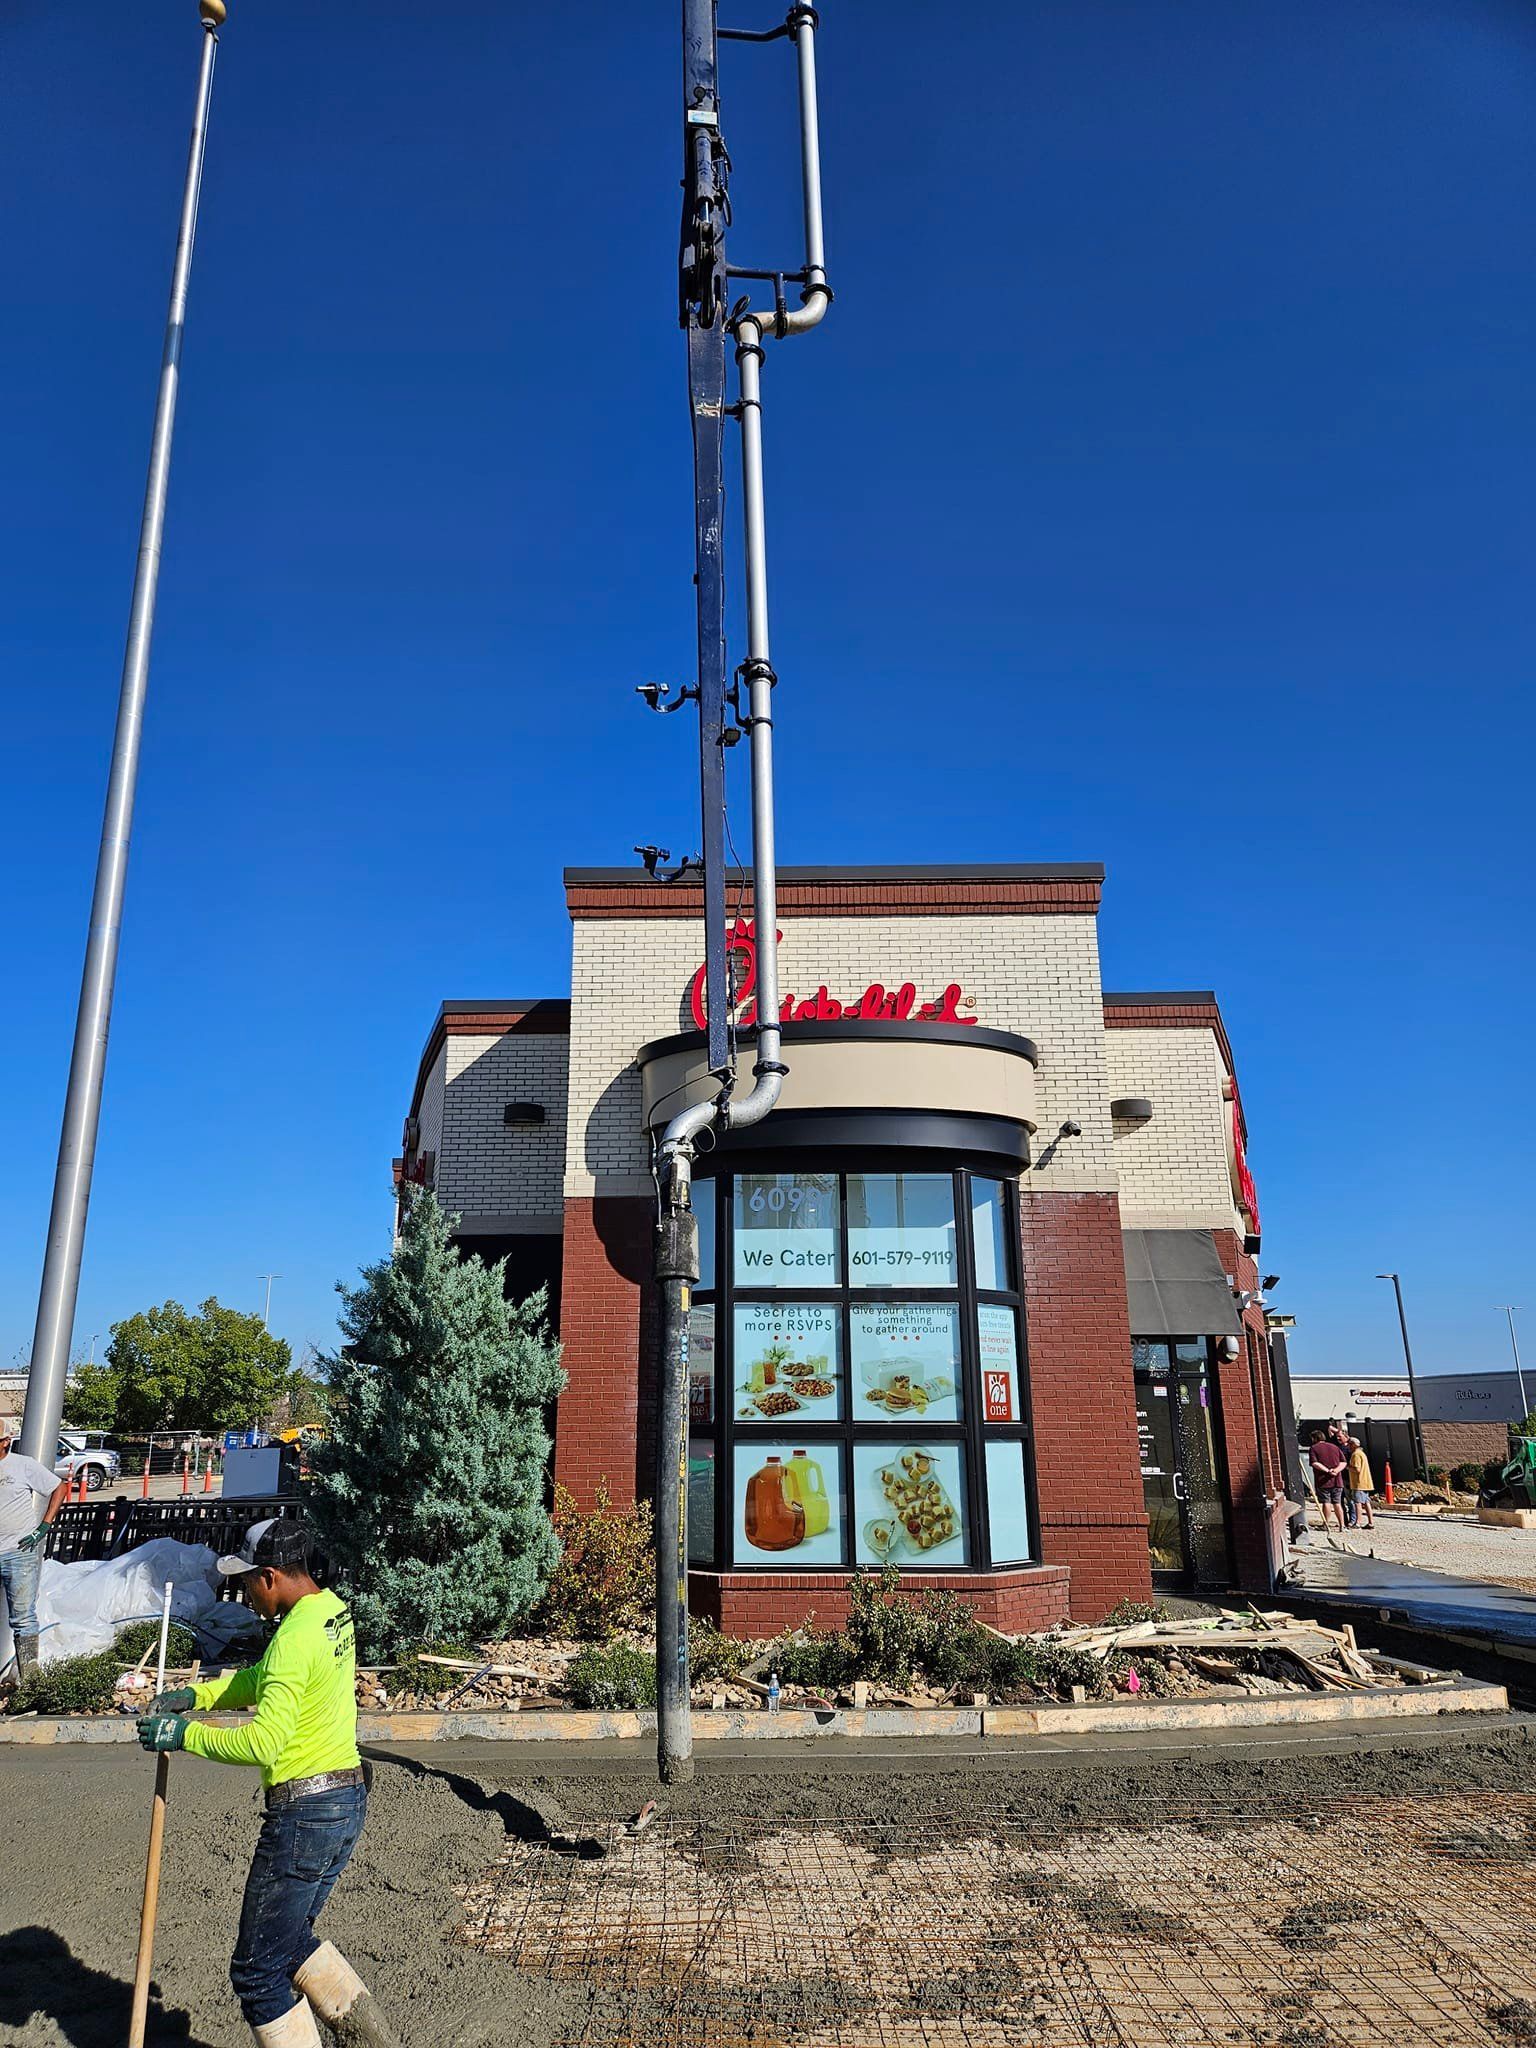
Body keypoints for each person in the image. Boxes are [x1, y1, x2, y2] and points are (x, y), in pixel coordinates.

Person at [135, 1518, 397, 2048]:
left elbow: (263, 1744)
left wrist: (184, 1735)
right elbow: (266, 1676)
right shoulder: (330, 1612)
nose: (246, 1593)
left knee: (257, 1973)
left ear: (272, 1576)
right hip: (344, 1800)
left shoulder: (294, 1638)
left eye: (249, 1582)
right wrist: (201, 1697)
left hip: (304, 1816)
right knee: (291, 1942)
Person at [0, 1421, 67, 1681]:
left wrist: (44, 1526)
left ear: (6, 1441)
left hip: (18, 1552)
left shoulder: (22, 1465)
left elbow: (59, 1487)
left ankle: (30, 1681)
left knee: (23, 1618)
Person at [1307, 1429, 1347, 1532]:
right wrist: (1336, 1471)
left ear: (1314, 1438)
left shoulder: (1314, 1448)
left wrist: (1327, 1471)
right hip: (1337, 1480)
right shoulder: (1335, 1447)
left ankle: (1326, 1524)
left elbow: (1315, 1463)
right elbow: (1343, 1462)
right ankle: (1342, 1525)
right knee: (1337, 1503)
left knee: (1326, 1502)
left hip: (1323, 1481)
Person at [1346, 1435, 1376, 1531]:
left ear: (1353, 1445)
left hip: (1358, 1483)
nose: (1348, 1447)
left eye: (1349, 1444)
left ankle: (1358, 1523)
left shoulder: (1356, 1455)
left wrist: (1347, 1467)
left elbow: (1357, 1469)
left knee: (1357, 1503)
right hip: (1366, 1482)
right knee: (1366, 1502)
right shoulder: (1362, 1453)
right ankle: (1371, 1522)